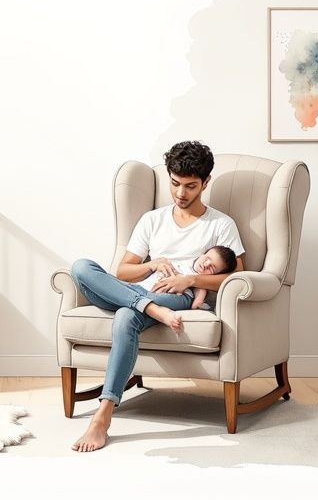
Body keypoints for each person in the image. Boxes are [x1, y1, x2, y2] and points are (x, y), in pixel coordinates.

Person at [68, 141, 245, 453]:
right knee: (81, 267)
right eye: (175, 184)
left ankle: (102, 416)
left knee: (125, 316)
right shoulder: (153, 220)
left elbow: (238, 276)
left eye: (191, 186)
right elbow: (122, 271)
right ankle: (145, 306)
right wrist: (151, 263)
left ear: (206, 183)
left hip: (180, 297)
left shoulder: (221, 224)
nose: (180, 193)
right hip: (140, 290)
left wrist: (191, 278)